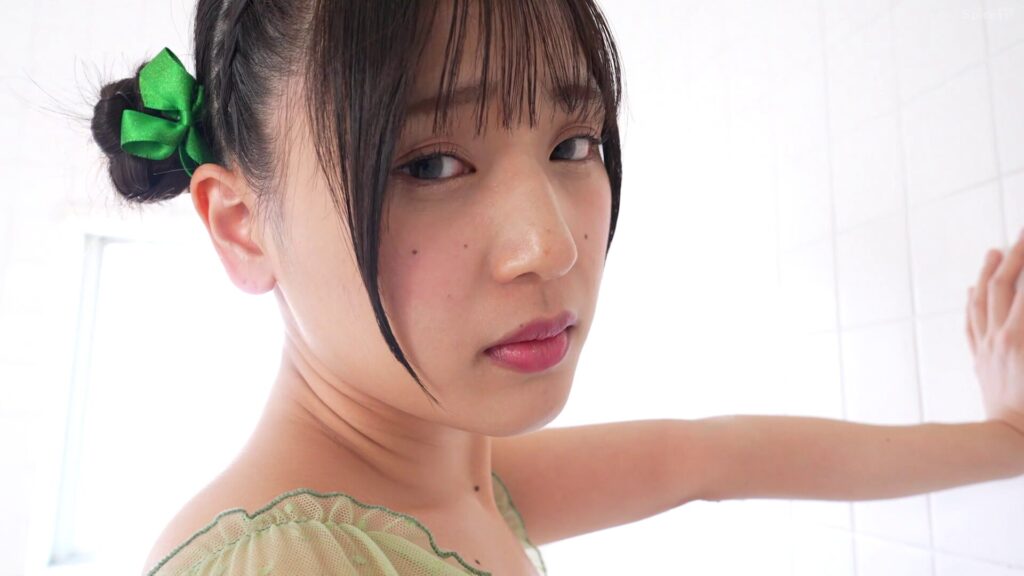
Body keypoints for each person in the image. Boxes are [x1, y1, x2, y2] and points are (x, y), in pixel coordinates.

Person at [87, 1, 1024, 575]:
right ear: (242, 225)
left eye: (573, 144)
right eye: (430, 164)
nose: (549, 247)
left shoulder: (454, 483)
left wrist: (1008, 437)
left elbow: (714, 458)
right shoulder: (279, 567)